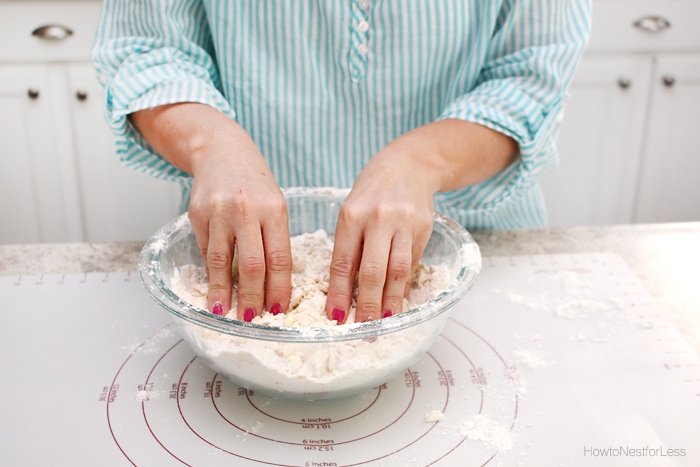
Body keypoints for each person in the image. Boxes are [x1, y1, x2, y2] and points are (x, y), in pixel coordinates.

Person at [93, 0, 591, 324]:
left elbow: (531, 76)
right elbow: (147, 51)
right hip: (247, 257)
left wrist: (422, 161)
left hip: (480, 257)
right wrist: (212, 145)